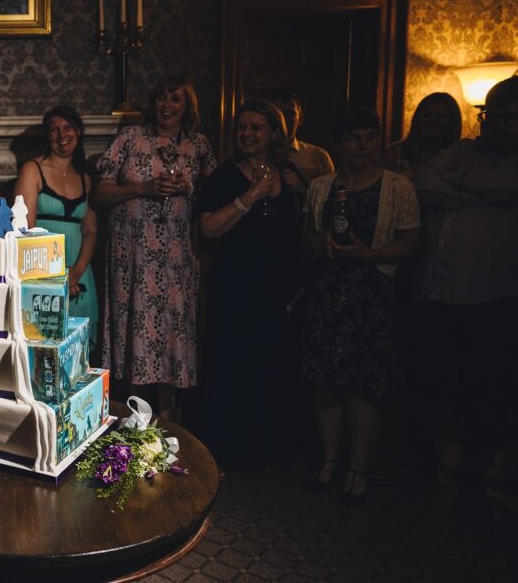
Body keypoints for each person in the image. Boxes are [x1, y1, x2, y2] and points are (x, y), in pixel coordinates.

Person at [299, 108, 420, 505]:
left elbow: (411, 242)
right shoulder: (321, 186)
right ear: (338, 144)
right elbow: (308, 236)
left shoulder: (397, 186)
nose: (364, 146)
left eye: (371, 137)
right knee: (326, 378)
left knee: (364, 381)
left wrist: (370, 255)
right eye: (355, 137)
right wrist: (326, 246)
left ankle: (358, 466)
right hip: (329, 291)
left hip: (372, 292)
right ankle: (330, 458)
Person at [411, 76, 518, 516]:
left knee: (485, 395)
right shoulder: (461, 152)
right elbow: (425, 181)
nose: (499, 126)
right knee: (431, 387)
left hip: (492, 300)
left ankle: (472, 484)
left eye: (510, 118)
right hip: (438, 294)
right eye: (493, 116)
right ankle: (421, 477)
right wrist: (485, 194)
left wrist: (466, 191)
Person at [95, 76, 215, 414]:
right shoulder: (130, 138)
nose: (167, 106)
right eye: (162, 98)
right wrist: (144, 188)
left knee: (172, 340)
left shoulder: (198, 145)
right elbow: (100, 193)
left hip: (177, 261)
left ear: (187, 106)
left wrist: (190, 188)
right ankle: (138, 420)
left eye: (175, 99)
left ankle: (169, 424)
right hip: (133, 260)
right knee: (138, 338)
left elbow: (217, 195)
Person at [195, 99, 301, 469]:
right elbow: (208, 228)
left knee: (269, 365)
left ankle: (264, 452)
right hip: (235, 286)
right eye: (242, 128)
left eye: (256, 127)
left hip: (275, 290)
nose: (248, 134)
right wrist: (250, 196)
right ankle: (223, 454)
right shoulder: (224, 177)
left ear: (274, 133)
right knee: (230, 365)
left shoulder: (287, 176)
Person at [15, 106, 100, 345]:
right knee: (45, 344)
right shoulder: (33, 170)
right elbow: (25, 230)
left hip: (81, 274)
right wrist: (58, 277)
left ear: (78, 131)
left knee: (79, 350)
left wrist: (76, 272)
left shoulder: (85, 178)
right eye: (54, 130)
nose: (61, 135)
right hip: (42, 273)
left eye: (67, 127)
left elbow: (91, 230)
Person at [383, 91, 462, 178]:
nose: (433, 120)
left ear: (452, 121)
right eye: (427, 115)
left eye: (440, 116)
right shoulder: (395, 153)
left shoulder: (461, 158)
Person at [270, 91, 335, 185]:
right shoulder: (257, 154)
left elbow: (332, 194)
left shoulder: (319, 157)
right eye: (278, 113)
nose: (283, 118)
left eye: (290, 113)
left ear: (300, 119)